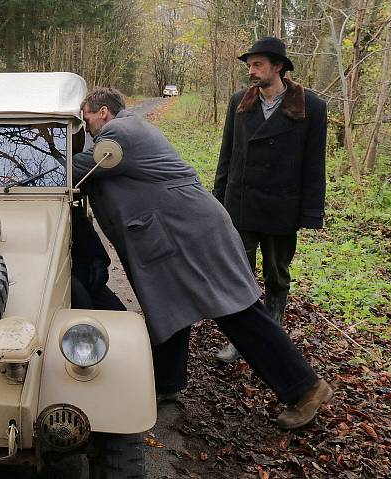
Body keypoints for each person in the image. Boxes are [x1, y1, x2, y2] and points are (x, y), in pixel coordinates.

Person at [71, 86, 332, 429]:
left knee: (236, 311)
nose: (84, 124)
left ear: (103, 112)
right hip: (174, 238)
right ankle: (165, 384)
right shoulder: (126, 130)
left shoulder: (121, 133)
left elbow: (73, 171)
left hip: (193, 237)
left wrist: (30, 166)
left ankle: (306, 388)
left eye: (85, 117)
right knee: (170, 308)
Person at [213, 37, 327, 363]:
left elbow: (314, 165)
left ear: (277, 67)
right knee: (240, 274)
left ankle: (273, 335)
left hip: (281, 209)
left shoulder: (311, 107)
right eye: (249, 65)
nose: (251, 71)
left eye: (258, 64)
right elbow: (227, 156)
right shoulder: (240, 101)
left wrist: (310, 213)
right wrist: (218, 200)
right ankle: (244, 340)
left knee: (277, 274)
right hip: (242, 204)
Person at [70, 199, 126, 311]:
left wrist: (98, 258)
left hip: (78, 270)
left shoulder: (68, 203)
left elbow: (81, 225)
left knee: (118, 313)